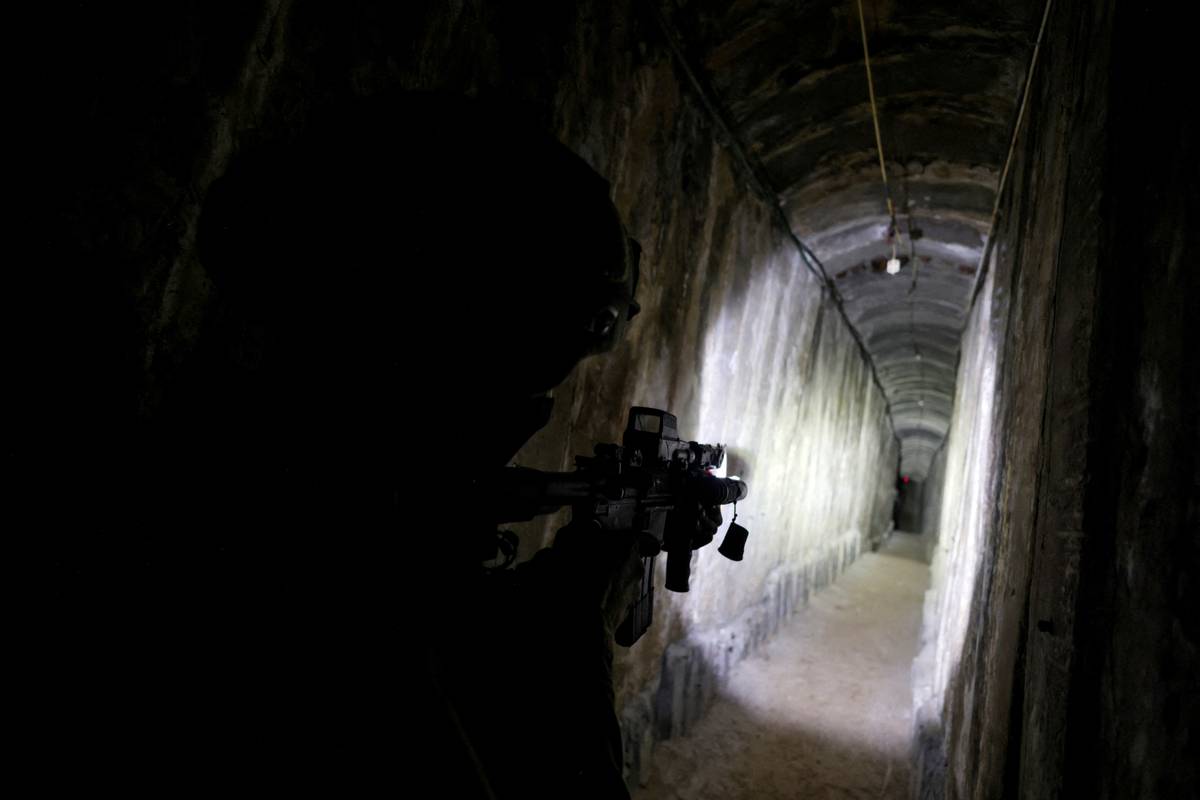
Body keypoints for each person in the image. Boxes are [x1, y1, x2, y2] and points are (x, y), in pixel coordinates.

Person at [137, 91, 651, 796]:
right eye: (523, 370)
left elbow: (433, 613)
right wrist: (572, 611)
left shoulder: (263, 491)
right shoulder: (294, 573)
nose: (530, 410)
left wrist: (572, 578)